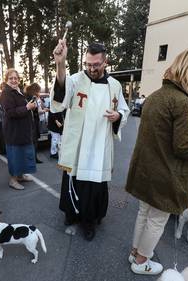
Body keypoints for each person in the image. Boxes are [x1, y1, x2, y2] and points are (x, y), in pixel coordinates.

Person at [125, 47, 188, 275]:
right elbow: (182, 147)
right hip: (164, 171)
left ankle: (135, 252)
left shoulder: (154, 96)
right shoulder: (183, 102)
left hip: (145, 168)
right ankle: (141, 262)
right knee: (157, 219)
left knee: (144, 213)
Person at [51, 40, 130, 241]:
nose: (91, 68)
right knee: (73, 180)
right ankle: (71, 214)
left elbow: (123, 109)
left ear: (106, 62)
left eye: (96, 65)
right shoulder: (76, 80)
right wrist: (60, 64)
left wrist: (118, 116)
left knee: (94, 187)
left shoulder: (115, 85)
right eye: (88, 64)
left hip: (100, 145)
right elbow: (60, 97)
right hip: (78, 143)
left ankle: (89, 221)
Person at [0, 68, 37, 190]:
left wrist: (31, 106)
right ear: (6, 80)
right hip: (14, 131)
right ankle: (13, 180)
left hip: (22, 130)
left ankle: (20, 176)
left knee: (23, 153)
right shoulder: (6, 93)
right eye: (11, 78)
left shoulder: (18, 91)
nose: (14, 80)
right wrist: (27, 108)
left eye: (16, 78)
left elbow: (23, 107)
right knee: (15, 155)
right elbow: (10, 112)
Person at [24, 82, 46, 164]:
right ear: (35, 90)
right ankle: (33, 159)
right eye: (38, 91)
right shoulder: (32, 97)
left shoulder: (27, 95)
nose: (39, 93)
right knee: (34, 141)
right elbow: (33, 108)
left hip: (31, 121)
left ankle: (33, 158)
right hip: (33, 121)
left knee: (32, 141)